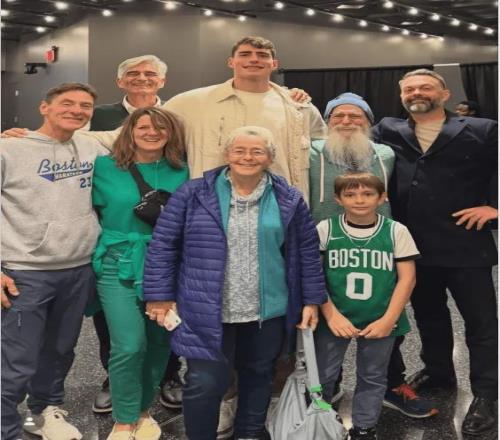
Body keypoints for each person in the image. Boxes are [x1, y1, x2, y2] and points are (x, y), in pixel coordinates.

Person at [142, 126, 327, 440]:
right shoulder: (193, 193)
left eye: (257, 151)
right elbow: (163, 245)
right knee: (204, 382)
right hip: (205, 307)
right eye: (239, 150)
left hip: (268, 309)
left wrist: (311, 300)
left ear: (269, 158)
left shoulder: (289, 198)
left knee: (259, 374)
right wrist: (159, 295)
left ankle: (248, 434)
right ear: (227, 155)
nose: (247, 157)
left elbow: (306, 253)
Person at [373, 68, 498, 436]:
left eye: (425, 87)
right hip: (413, 245)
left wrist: (496, 207)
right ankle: (439, 372)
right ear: (401, 96)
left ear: (443, 94)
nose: (417, 92)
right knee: (429, 316)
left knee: (481, 323)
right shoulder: (388, 130)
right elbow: (344, 131)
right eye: (409, 89)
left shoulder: (482, 129)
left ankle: (487, 394)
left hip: (465, 242)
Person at [87, 36, 326, 201]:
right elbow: (134, 133)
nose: (253, 59)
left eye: (262, 55)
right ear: (231, 62)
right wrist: (72, 136)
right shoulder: (192, 102)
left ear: (274, 64)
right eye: (245, 54)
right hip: (212, 205)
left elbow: (322, 147)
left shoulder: (298, 107)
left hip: (278, 204)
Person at [1, 83, 107, 440]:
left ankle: (44, 412)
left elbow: (143, 131)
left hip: (77, 268)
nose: (77, 110)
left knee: (60, 350)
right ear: (44, 107)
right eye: (67, 103)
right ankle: (5, 427)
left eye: (85, 105)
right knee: (18, 357)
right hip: (24, 271)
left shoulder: (92, 146)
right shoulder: (9, 149)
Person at [88, 54, 181, 415]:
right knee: (125, 340)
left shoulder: (183, 165)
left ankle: (152, 396)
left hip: (166, 260)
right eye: (143, 127)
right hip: (119, 259)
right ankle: (121, 402)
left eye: (159, 128)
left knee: (160, 338)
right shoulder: (102, 158)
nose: (151, 132)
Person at [316, 172, 420, 440]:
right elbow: (314, 277)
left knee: (373, 376)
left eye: (367, 194)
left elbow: (407, 279)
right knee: (323, 376)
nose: (359, 200)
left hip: (380, 317)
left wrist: (389, 319)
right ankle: (320, 422)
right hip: (335, 317)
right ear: (338, 199)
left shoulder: (396, 231)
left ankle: (364, 427)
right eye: (350, 194)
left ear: (382, 197)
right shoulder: (326, 229)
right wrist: (331, 314)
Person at [310, 92, 394, 221]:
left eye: (355, 116)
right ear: (328, 122)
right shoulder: (311, 152)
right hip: (323, 230)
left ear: (369, 122)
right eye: (338, 116)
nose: (346, 121)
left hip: (377, 230)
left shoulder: (385, 154)